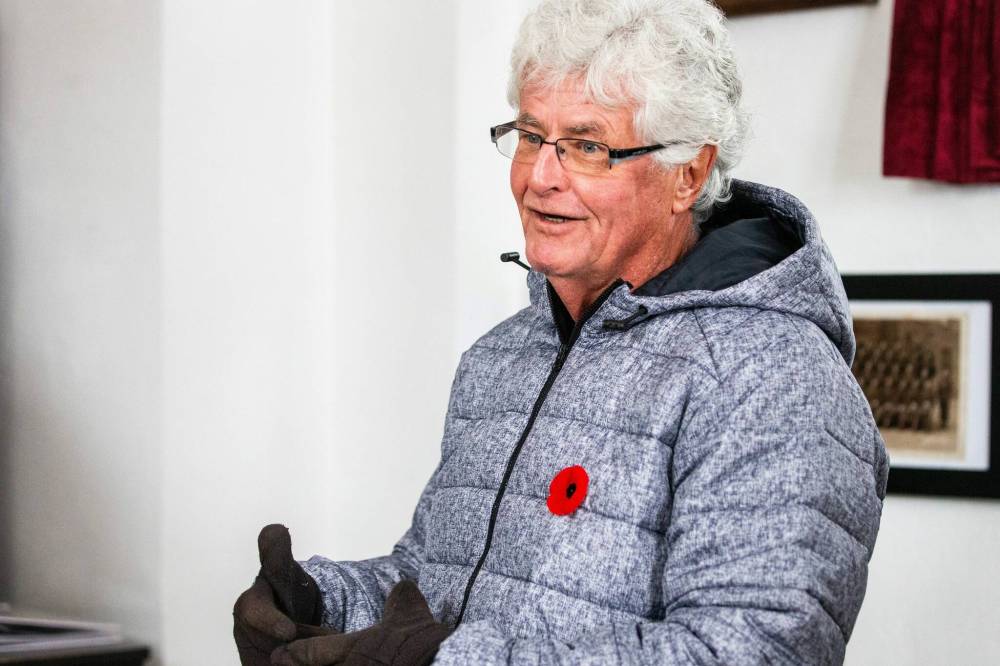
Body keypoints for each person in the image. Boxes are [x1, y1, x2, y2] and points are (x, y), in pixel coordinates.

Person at [233, 0, 889, 664]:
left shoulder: (772, 378)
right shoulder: (500, 358)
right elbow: (431, 593)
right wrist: (321, 602)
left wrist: (451, 660)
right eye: (529, 135)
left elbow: (755, 652)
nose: (540, 178)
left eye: (588, 146)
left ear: (687, 174)